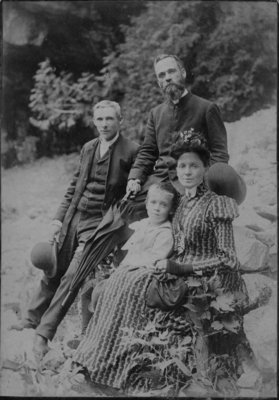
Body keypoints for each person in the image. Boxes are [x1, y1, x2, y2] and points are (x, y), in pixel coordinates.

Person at [72, 131, 252, 395]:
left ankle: (118, 372)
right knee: (120, 280)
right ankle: (92, 362)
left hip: (206, 278)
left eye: (194, 166)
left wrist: (181, 268)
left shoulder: (216, 204)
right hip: (174, 271)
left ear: (205, 168)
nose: (187, 172)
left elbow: (228, 259)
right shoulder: (180, 203)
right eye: (182, 166)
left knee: (132, 285)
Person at [12, 100, 139, 360]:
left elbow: (137, 194)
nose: (104, 124)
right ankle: (31, 319)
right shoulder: (88, 148)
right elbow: (73, 187)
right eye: (100, 119)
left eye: (109, 119)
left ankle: (43, 335)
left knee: (73, 275)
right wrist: (58, 220)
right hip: (75, 218)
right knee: (54, 268)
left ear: (120, 121)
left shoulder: (132, 151)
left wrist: (121, 223)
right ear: (94, 121)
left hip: (101, 223)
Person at [126, 53, 246, 206]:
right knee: (128, 206)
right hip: (161, 180)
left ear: (182, 73)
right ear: (159, 82)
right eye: (162, 75)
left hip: (195, 180)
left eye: (171, 72)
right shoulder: (156, 113)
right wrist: (135, 178)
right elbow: (148, 152)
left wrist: (204, 185)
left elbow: (219, 154)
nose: (167, 78)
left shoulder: (206, 108)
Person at [89, 182, 177, 312]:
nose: (157, 208)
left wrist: (127, 267)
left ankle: (106, 317)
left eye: (163, 205)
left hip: (144, 275)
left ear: (171, 209)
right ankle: (90, 325)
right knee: (94, 288)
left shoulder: (165, 232)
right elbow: (131, 251)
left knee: (107, 291)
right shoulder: (143, 225)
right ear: (146, 204)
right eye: (153, 202)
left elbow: (154, 259)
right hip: (129, 269)